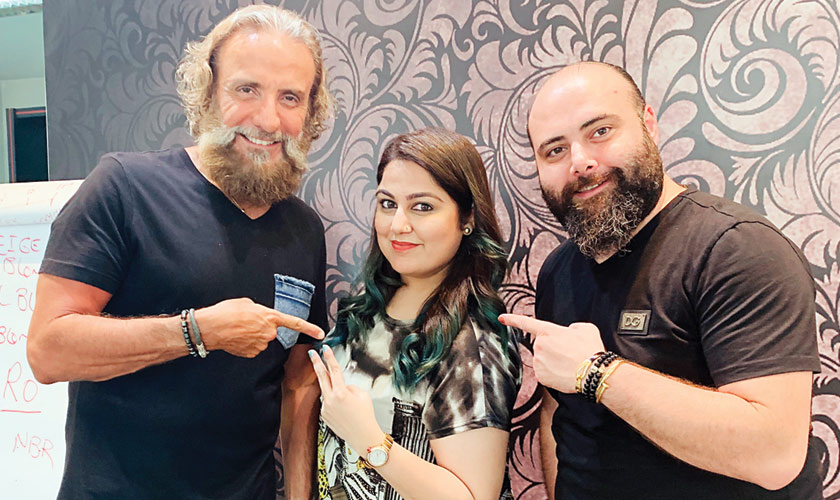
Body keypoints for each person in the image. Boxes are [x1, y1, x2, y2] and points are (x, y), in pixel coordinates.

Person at [26, 5, 332, 499]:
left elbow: (297, 384)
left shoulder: (305, 230)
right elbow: (47, 351)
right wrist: (197, 332)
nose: (268, 119)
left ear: (310, 113)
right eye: (246, 90)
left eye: (290, 97)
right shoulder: (124, 188)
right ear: (208, 92)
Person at [499, 62, 824, 499]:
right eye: (554, 150)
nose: (580, 162)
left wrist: (597, 372)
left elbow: (775, 454)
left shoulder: (737, 249)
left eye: (600, 131)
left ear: (648, 125)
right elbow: (561, 415)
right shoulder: (558, 270)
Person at [306, 127, 521, 500]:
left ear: (467, 218)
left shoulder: (473, 343)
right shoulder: (367, 306)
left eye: (423, 206)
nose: (397, 225)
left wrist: (368, 438)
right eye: (387, 203)